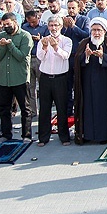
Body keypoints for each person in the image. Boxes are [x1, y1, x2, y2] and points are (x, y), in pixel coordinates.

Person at [74, 18, 107, 144]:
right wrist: (86, 56)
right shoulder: (84, 43)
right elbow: (77, 61)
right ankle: (88, 135)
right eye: (94, 30)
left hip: (105, 84)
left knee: (104, 109)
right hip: (87, 83)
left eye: (99, 30)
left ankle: (104, 135)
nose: (96, 33)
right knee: (87, 108)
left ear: (104, 31)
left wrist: (103, 56)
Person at [0, 13, 33, 142]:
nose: (6, 27)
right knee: (4, 108)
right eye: (4, 25)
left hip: (20, 77)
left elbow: (21, 56)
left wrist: (9, 45)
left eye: (8, 24)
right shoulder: (0, 35)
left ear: (15, 22)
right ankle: (6, 134)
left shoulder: (25, 36)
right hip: (4, 78)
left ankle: (26, 135)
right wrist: (2, 46)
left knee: (25, 108)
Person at [36, 16, 73, 146]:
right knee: (44, 108)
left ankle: (64, 137)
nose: (53, 28)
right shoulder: (43, 41)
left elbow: (66, 55)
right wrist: (45, 47)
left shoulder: (66, 40)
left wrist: (56, 47)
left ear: (61, 26)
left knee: (62, 108)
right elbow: (40, 57)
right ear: (48, 27)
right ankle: (43, 137)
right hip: (45, 78)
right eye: (51, 25)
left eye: (56, 25)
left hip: (60, 78)